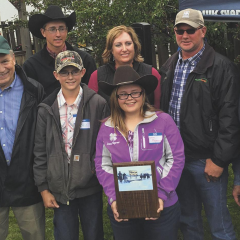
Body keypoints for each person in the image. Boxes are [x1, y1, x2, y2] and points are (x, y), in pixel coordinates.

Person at [160, 8, 240, 240]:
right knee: (188, 220)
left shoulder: (221, 67)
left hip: (206, 160)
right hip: (176, 158)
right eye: (179, 30)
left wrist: (219, 159)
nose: (185, 35)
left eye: (190, 30)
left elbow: (231, 119)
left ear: (202, 31)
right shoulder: (169, 65)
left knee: (219, 223)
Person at [94, 65, 185, 240]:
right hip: (123, 206)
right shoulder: (107, 127)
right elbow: (102, 164)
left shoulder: (163, 121)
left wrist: (161, 194)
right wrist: (114, 198)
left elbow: (176, 158)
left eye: (135, 92)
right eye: (123, 94)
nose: (130, 98)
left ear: (143, 94)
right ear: (116, 97)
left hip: (162, 205)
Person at [33, 50, 109, 240]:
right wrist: (43, 188)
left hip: (89, 185)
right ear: (56, 75)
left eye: (74, 71)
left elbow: (105, 146)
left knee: (94, 233)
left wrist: (93, 169)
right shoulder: (45, 109)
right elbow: (40, 150)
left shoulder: (97, 103)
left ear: (83, 72)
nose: (70, 77)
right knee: (65, 235)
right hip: (59, 188)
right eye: (64, 72)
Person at [0, 36, 45, 239]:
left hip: (26, 180)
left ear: (14, 59)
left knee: (34, 235)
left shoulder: (34, 90)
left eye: (4, 61)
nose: (1, 69)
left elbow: (43, 137)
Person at [23, 5, 96, 96]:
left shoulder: (85, 60)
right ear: (43, 32)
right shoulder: (32, 66)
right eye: (52, 29)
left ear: (67, 31)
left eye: (61, 29)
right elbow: (31, 99)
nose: (58, 34)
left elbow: (93, 95)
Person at [88, 25, 161, 108]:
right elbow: (92, 110)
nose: (124, 49)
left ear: (135, 46)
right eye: (118, 45)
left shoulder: (151, 73)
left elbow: (158, 109)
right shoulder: (97, 76)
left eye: (128, 43)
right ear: (111, 49)